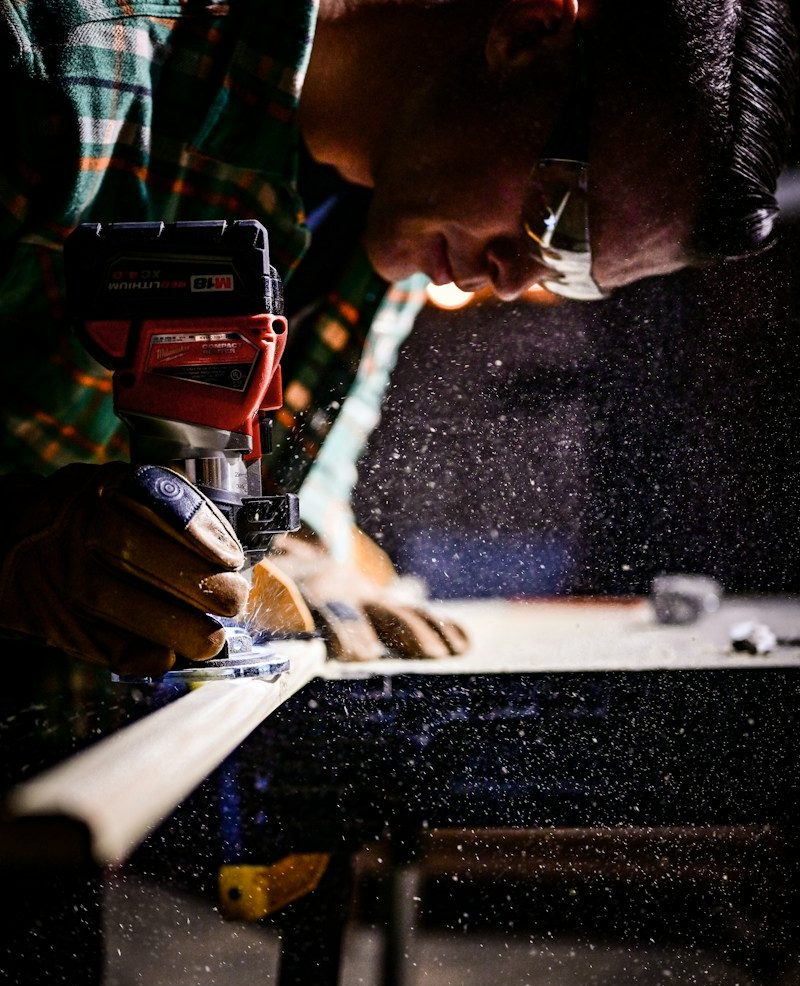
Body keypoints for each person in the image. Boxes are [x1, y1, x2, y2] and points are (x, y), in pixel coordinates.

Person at [1, 0, 797, 678]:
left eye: (574, 271)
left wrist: (309, 554)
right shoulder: (57, 75)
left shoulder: (398, 224)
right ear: (527, 32)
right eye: (558, 217)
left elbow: (309, 478)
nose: (517, 281)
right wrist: (14, 542)